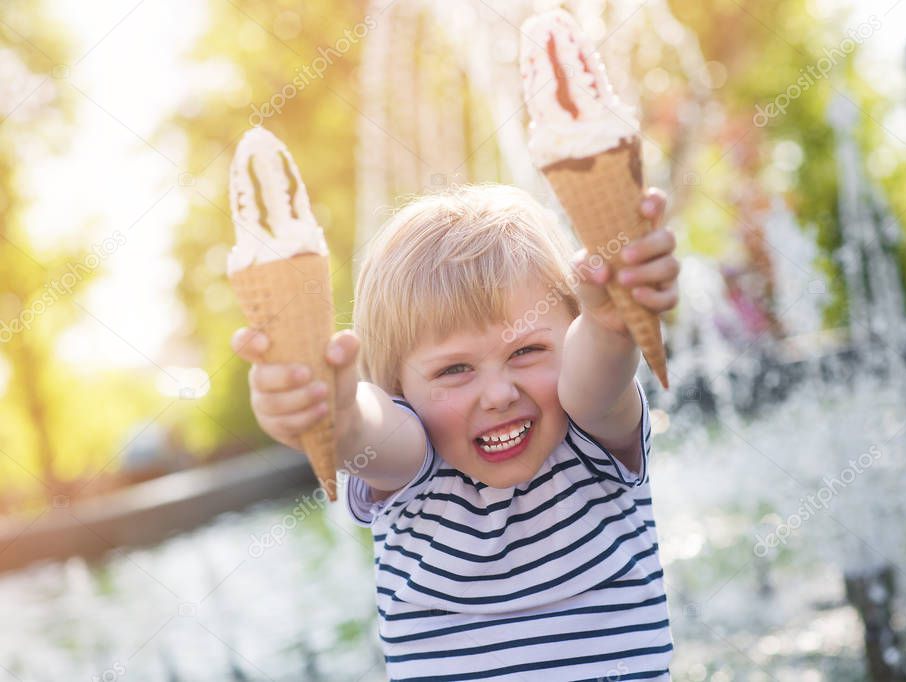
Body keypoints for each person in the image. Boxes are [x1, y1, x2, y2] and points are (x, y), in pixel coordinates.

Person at [231, 183, 680, 680]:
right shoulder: (412, 468)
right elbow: (367, 430)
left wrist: (613, 326)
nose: (498, 393)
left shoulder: (591, 430)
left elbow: (597, 377)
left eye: (526, 351)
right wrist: (331, 408)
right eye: (454, 370)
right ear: (401, 387)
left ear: (574, 332)